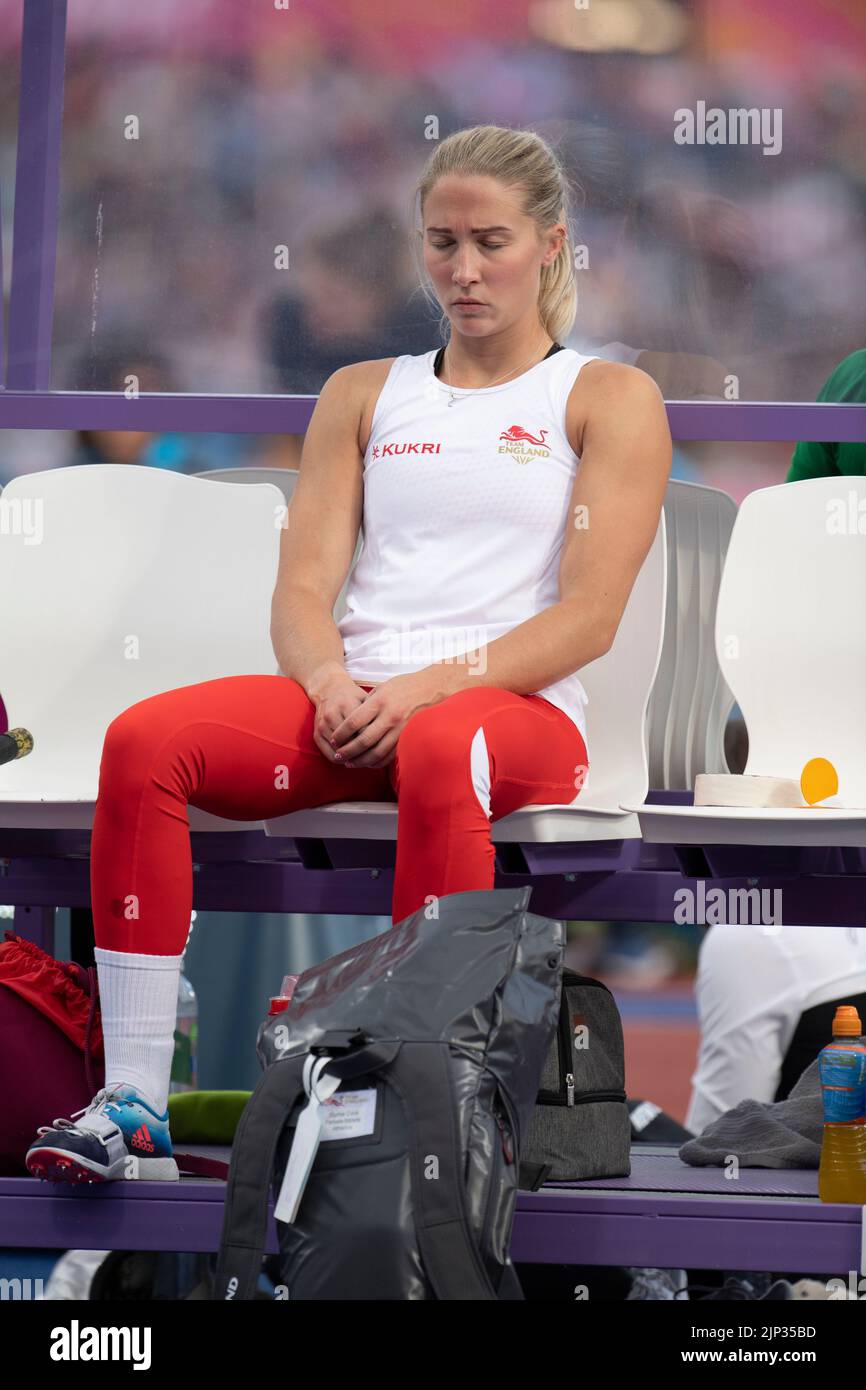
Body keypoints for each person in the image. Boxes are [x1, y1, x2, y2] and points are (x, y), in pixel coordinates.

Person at [26, 123, 671, 1184]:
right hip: (358, 703)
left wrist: (422, 689)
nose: (463, 271)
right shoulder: (365, 392)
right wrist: (326, 679)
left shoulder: (605, 397)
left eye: (491, 242)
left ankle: (422, 1099)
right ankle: (133, 1100)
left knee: (438, 747)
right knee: (144, 741)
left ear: (550, 246)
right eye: (441, 242)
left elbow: (586, 619)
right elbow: (302, 588)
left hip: (510, 720)